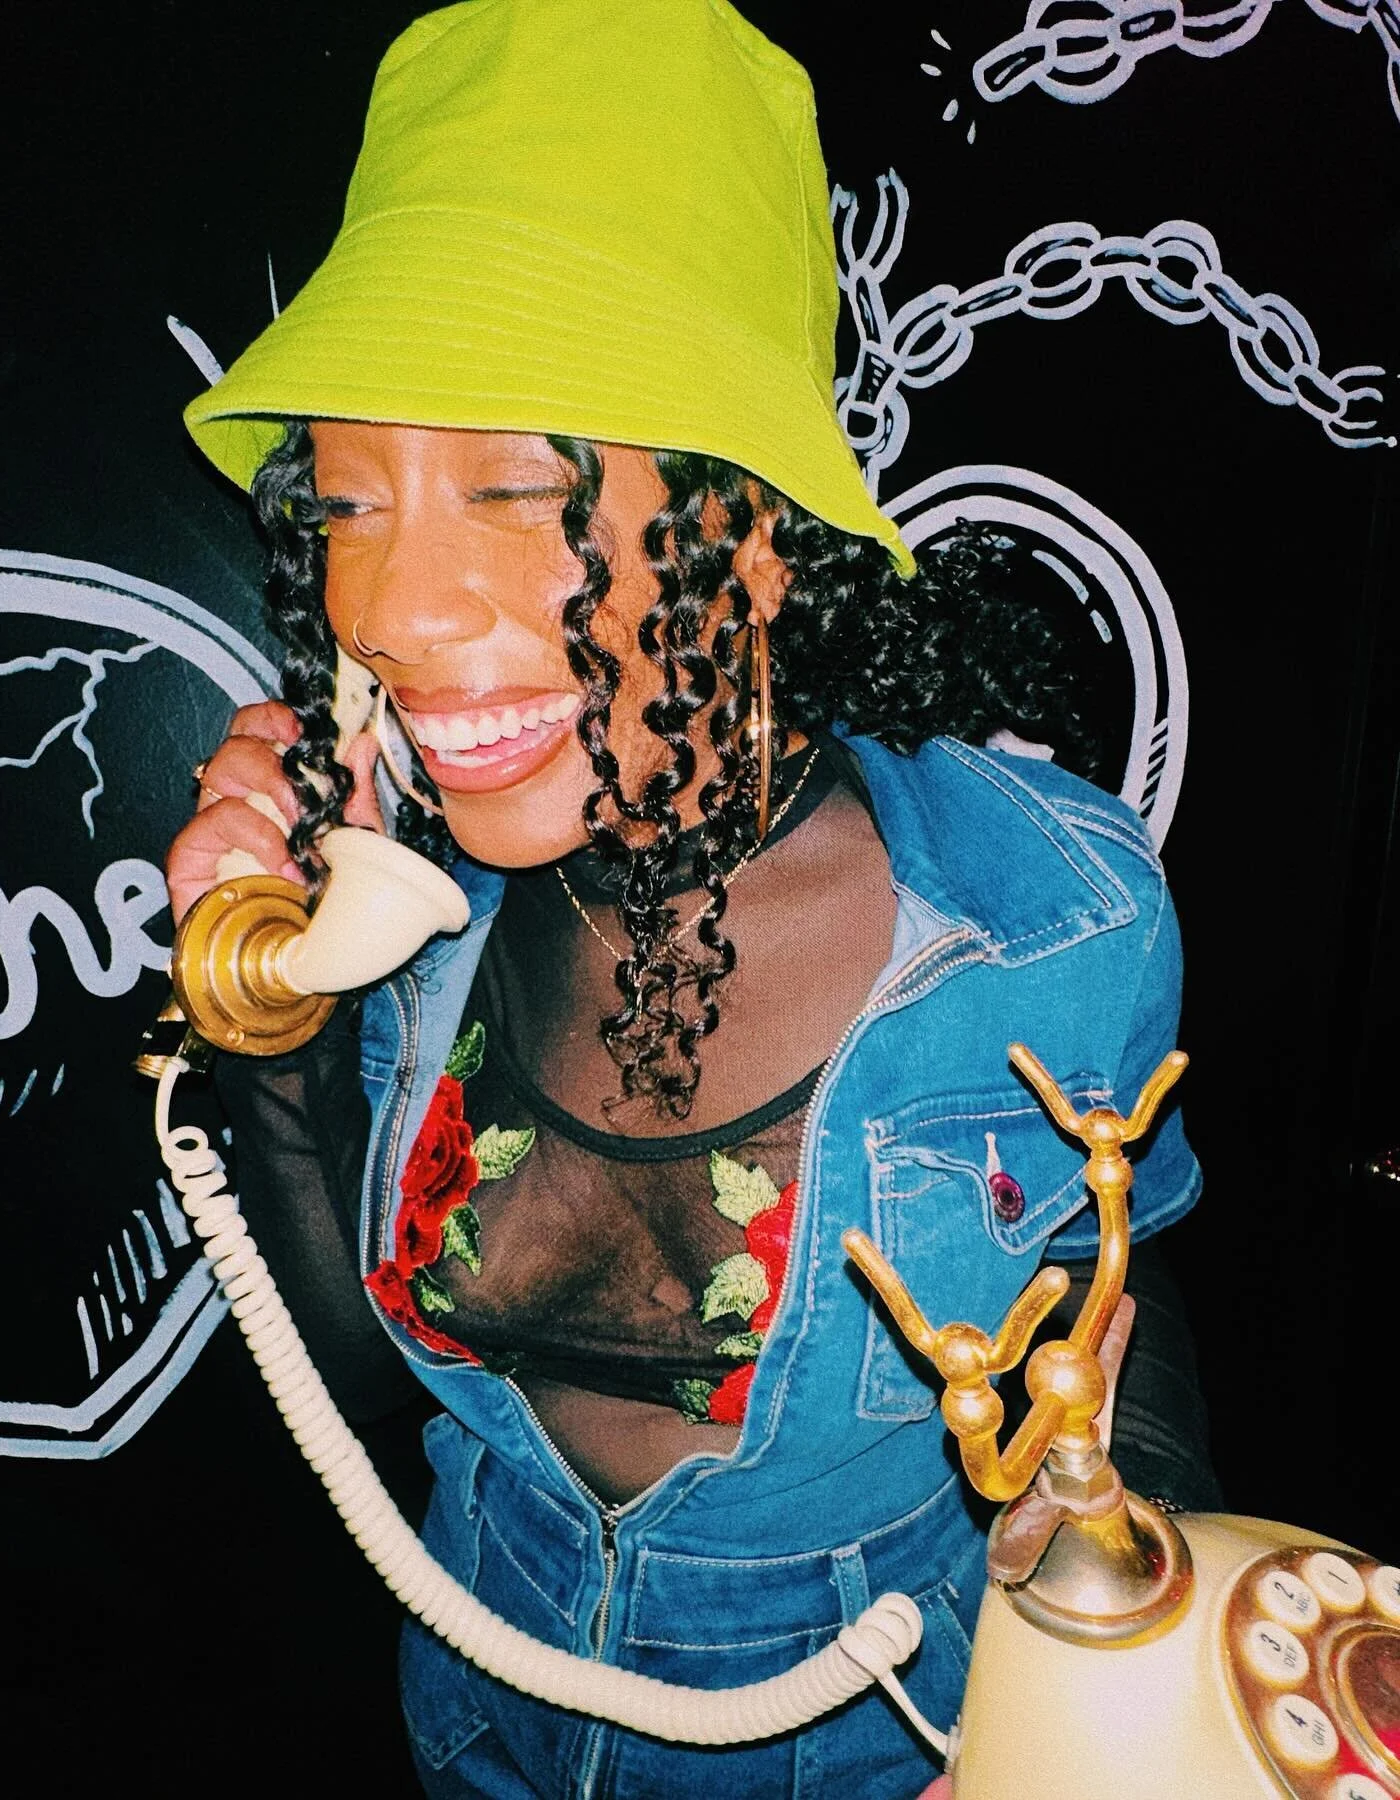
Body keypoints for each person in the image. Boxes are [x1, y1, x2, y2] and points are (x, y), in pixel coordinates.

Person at [166, 3, 1219, 1794]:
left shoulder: (1050, 914)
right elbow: (356, 1379)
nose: (393, 612)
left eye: (515, 488)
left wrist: (1116, 1681)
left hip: (871, 1742)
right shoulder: (406, 890)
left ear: (755, 525)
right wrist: (267, 997)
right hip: (475, 1711)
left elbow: (1123, 1290)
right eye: (346, 507)